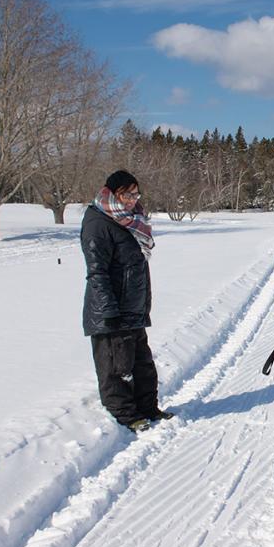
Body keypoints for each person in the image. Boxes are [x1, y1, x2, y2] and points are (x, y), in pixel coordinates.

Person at [81, 169, 173, 433]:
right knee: (116, 368)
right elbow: (96, 271)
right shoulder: (98, 223)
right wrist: (109, 310)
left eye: (135, 193)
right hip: (111, 312)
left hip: (133, 308)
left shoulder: (130, 220)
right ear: (112, 193)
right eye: (127, 194)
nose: (133, 199)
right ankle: (125, 415)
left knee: (142, 364)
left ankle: (148, 409)